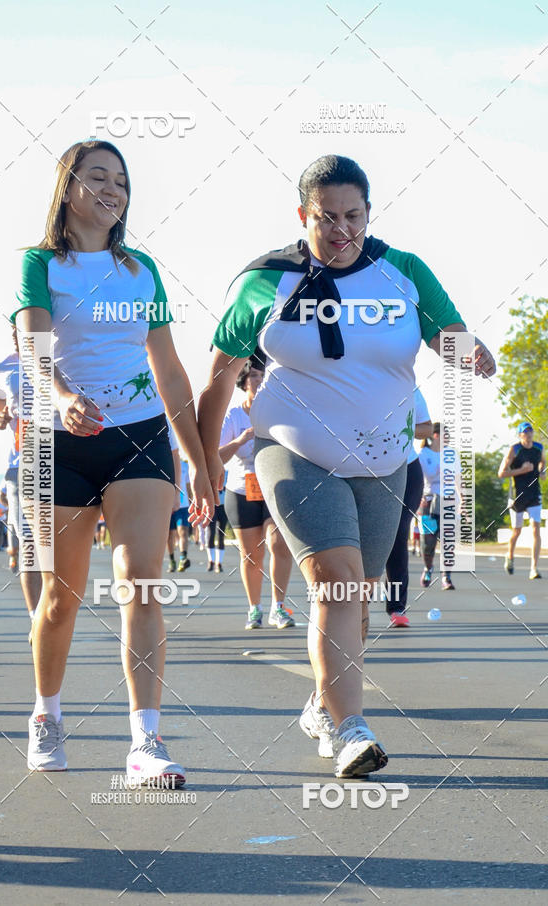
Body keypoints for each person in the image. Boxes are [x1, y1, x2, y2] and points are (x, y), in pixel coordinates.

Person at [198, 154, 495, 776]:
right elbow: (217, 385)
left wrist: (473, 354)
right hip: (292, 448)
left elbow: (449, 335)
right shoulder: (265, 281)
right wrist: (202, 467)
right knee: (336, 579)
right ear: (302, 215)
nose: (342, 230)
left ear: (369, 212)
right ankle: (351, 729)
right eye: (327, 217)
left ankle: (323, 701)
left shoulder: (403, 272)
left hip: (386, 457)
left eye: (353, 216)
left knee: (357, 599)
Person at [13, 139, 212, 784]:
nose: (113, 189)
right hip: (59, 442)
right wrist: (64, 395)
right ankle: (47, 716)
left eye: (121, 181)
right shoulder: (40, 264)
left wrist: (200, 463)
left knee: (142, 581)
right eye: (98, 176)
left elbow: (170, 369)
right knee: (60, 597)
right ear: (67, 187)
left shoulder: (141, 269)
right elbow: (33, 342)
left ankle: (145, 744)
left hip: (140, 434)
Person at [219, 356, 295, 630]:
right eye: (253, 376)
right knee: (252, 555)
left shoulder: (276, 412)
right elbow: (217, 457)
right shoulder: (234, 416)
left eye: (263, 376)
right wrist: (240, 440)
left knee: (278, 544)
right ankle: (255, 608)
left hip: (275, 486)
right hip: (241, 489)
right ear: (243, 381)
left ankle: (279, 607)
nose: (259, 379)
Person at [0, 343, 43, 638]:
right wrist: (3, 415)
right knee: (30, 545)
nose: (18, 336)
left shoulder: (64, 355)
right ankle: (37, 620)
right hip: (20, 466)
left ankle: (51, 611)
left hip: (62, 464)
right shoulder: (6, 366)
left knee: (56, 545)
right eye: (14, 331)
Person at [384, 388, 433, 626]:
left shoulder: (410, 387)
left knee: (399, 533)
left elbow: (427, 428)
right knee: (362, 538)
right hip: (364, 470)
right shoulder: (359, 376)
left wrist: (398, 428)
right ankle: (352, 603)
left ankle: (397, 607)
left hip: (407, 469)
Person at [498, 422, 545, 579]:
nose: (528, 434)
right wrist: (521, 470)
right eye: (525, 432)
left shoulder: (539, 447)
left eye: (530, 431)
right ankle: (510, 556)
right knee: (517, 531)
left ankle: (534, 568)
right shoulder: (515, 450)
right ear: (520, 435)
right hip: (517, 496)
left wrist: (541, 471)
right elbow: (501, 473)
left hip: (534, 494)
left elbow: (542, 461)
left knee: (535, 529)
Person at [418, 423, 459, 591]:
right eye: (445, 434)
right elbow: (421, 478)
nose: (447, 437)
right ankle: (428, 568)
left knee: (448, 541)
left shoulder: (452, 454)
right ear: (435, 435)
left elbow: (458, 478)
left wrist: (463, 500)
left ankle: (446, 577)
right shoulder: (423, 454)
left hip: (449, 501)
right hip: (428, 502)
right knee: (428, 542)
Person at [206, 471, 228, 573]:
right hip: (213, 505)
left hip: (224, 507)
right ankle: (211, 561)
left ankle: (219, 563)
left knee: (221, 535)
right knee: (211, 533)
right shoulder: (211, 470)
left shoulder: (228, 472)